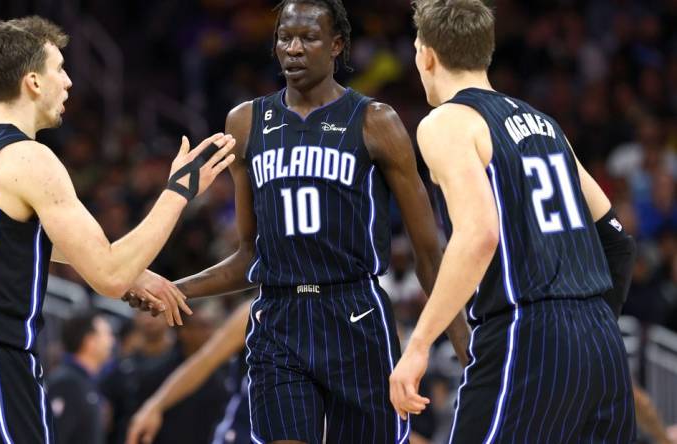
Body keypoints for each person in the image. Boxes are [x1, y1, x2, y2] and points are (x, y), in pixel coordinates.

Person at [128, 1, 470, 443]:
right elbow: (250, 255)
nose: (292, 48)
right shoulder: (246, 121)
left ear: (336, 45)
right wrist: (174, 290)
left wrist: (464, 344)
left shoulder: (375, 122)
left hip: (355, 312)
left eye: (308, 38)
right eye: (284, 37)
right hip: (279, 317)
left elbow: (428, 250)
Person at [0, 16, 234, 443]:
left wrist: (130, 268)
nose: (69, 81)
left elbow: (3, 235)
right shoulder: (28, 157)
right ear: (34, 82)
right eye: (59, 68)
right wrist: (179, 190)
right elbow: (109, 275)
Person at [389, 0, 635, 442]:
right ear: (486, 50)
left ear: (425, 54)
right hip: (602, 342)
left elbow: (480, 233)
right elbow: (617, 240)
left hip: (529, 334)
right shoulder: (545, 124)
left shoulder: (446, 122)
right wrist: (588, 328)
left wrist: (419, 344)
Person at [126, 300, 252, 444]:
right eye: (202, 326)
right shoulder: (255, 312)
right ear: (183, 332)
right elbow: (205, 359)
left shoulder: (223, 374)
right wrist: (155, 406)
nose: (208, 332)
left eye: (209, 326)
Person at [48, 311, 115, 444]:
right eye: (107, 335)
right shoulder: (67, 383)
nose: (112, 341)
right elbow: (54, 437)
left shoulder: (85, 382)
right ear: (90, 341)